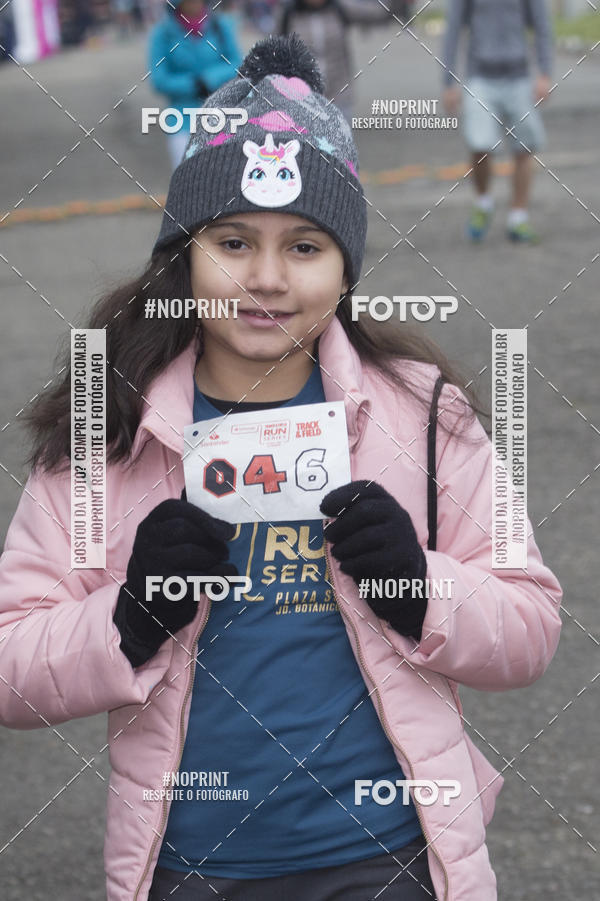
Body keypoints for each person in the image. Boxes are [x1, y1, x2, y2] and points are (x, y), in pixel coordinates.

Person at [0, 34, 562, 901]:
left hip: (393, 858)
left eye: (305, 246)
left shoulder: (423, 412)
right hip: (189, 866)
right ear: (184, 253)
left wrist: (425, 589)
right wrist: (127, 618)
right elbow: (11, 665)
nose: (265, 278)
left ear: (347, 267)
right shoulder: (107, 428)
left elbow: (531, 625)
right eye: (232, 240)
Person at [441, 0, 554, 243]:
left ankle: (518, 217)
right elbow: (453, 30)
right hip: (480, 76)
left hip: (519, 76)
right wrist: (448, 81)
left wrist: (545, 73)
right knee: (479, 143)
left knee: (525, 147)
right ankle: (483, 201)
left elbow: (542, 26)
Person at [278, 0, 410, 122]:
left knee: (339, 143)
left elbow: (380, 14)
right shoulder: (288, 15)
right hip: (301, 98)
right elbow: (273, 53)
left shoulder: (340, 9)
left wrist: (398, 2)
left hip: (339, 96)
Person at [148, 0, 242, 169]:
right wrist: (193, 84)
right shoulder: (162, 34)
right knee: (186, 174)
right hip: (181, 117)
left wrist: (210, 78)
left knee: (224, 173)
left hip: (221, 111)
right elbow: (159, 80)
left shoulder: (220, 27)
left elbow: (236, 64)